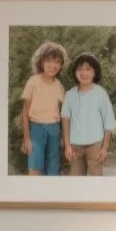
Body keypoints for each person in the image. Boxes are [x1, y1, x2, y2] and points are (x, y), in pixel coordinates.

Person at [61, 53, 116, 176]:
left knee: (95, 180)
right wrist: (67, 146)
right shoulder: (70, 95)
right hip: (75, 146)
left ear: (95, 72)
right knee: (76, 180)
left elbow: (108, 122)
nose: (83, 73)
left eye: (88, 69)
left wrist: (105, 148)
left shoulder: (101, 94)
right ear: (75, 72)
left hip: (95, 144)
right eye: (80, 69)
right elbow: (65, 119)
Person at [18, 41, 68, 175]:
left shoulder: (58, 85)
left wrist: (63, 137)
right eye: (49, 60)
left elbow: (64, 113)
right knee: (34, 165)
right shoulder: (33, 81)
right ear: (41, 62)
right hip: (36, 129)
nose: (53, 65)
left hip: (54, 130)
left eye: (57, 61)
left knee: (53, 166)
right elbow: (25, 113)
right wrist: (27, 138)